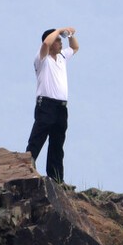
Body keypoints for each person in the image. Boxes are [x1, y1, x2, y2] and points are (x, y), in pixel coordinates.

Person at [25, 26, 78, 182]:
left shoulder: (62, 57)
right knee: (37, 138)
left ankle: (56, 179)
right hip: (46, 104)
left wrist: (70, 34)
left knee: (57, 143)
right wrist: (59, 29)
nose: (60, 43)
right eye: (57, 40)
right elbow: (46, 44)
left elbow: (75, 47)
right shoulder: (41, 59)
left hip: (61, 106)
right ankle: (25, 170)